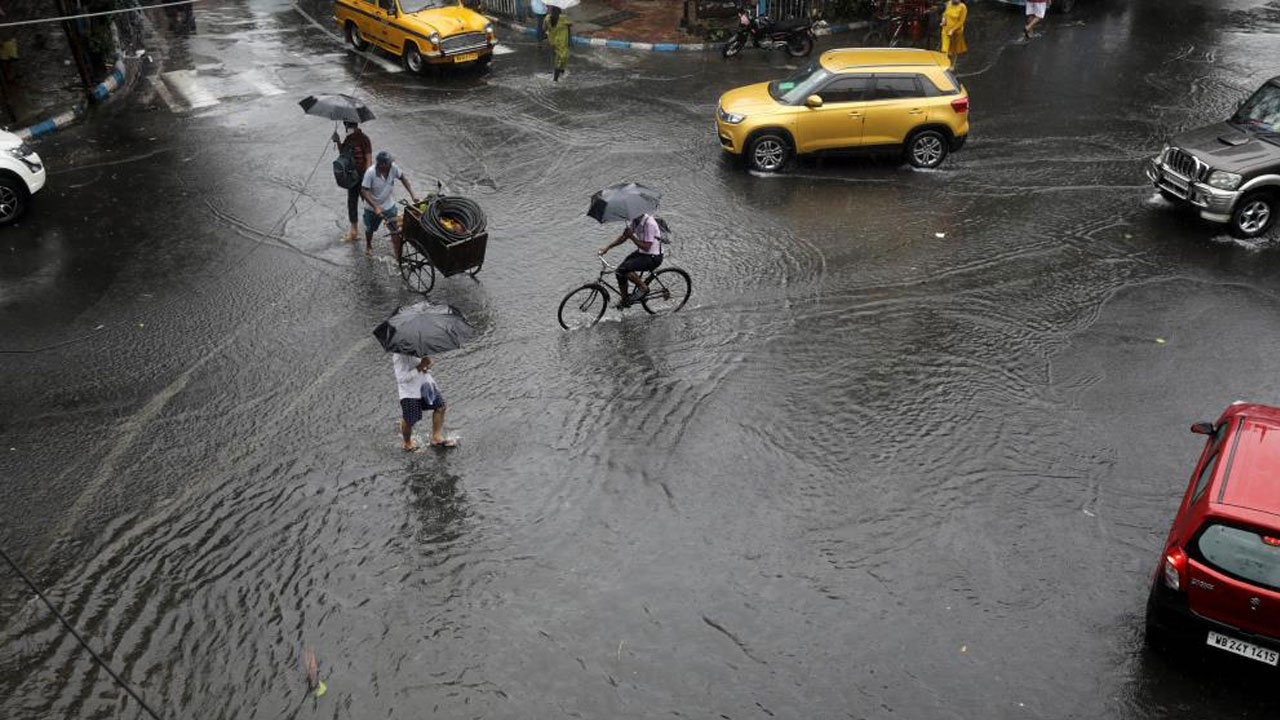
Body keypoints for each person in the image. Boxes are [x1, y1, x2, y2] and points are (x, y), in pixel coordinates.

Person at [360, 150, 418, 260]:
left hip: (389, 205)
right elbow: (364, 191)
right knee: (369, 230)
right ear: (382, 165)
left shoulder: (393, 168)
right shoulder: (370, 173)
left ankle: (398, 257)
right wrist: (375, 206)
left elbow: (403, 178)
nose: (391, 164)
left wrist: (412, 194)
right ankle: (368, 245)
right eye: (389, 163)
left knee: (395, 231)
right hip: (372, 208)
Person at [392, 353, 456, 450]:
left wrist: (428, 365)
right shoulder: (399, 357)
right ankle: (407, 442)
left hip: (425, 386)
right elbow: (401, 379)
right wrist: (420, 366)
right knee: (410, 419)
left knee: (440, 407)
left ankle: (436, 437)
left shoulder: (417, 349)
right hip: (410, 392)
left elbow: (424, 366)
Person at [598, 212, 662, 308]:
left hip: (653, 257)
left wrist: (631, 237)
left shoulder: (650, 224)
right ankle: (625, 299)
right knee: (619, 271)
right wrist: (608, 248)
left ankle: (643, 287)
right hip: (642, 253)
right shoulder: (636, 221)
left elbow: (646, 247)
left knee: (625, 269)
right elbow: (624, 237)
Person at [332, 121, 373, 243]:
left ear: (356, 126)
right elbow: (343, 154)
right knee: (352, 202)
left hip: (363, 177)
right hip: (352, 176)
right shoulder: (348, 139)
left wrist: (367, 178)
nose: (349, 128)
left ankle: (384, 222)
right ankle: (354, 231)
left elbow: (369, 159)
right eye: (347, 126)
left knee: (370, 202)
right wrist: (338, 141)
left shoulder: (364, 139)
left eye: (350, 126)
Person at [546, 6, 571, 82]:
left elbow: (544, 28)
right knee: (562, 58)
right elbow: (569, 29)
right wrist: (569, 40)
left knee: (556, 58)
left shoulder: (547, 18)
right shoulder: (564, 18)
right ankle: (556, 78)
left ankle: (558, 74)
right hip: (562, 42)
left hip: (552, 41)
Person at [939, 0, 967, 67]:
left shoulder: (963, 7)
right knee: (944, 49)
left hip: (956, 31)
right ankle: (944, 65)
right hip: (946, 30)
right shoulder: (949, 3)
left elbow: (961, 21)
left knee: (954, 50)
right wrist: (943, 20)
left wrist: (952, 30)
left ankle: (952, 65)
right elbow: (945, 14)